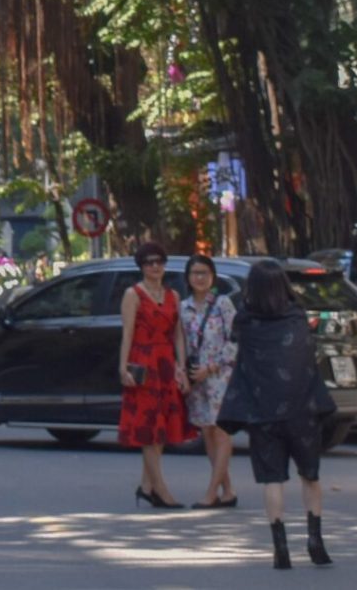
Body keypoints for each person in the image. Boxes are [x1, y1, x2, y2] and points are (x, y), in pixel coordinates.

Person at [217, 259, 334, 570]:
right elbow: (306, 359)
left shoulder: (245, 321)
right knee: (310, 475)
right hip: (301, 410)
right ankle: (315, 540)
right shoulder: (297, 317)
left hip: (262, 411)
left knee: (272, 480)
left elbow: (238, 355)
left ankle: (280, 548)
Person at [118, 241, 191, 508]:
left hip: (166, 364)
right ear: (141, 266)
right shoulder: (133, 294)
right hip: (143, 363)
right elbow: (127, 333)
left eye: (159, 261)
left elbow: (178, 334)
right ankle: (160, 489)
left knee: (161, 428)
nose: (155, 266)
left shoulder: (173, 296)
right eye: (149, 262)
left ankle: (147, 485)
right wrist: (123, 367)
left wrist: (181, 366)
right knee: (148, 428)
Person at [181, 253, 239, 508]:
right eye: (195, 273)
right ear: (188, 277)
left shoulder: (223, 304)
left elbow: (235, 340)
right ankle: (227, 490)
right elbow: (181, 342)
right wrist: (185, 371)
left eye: (204, 273)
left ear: (213, 276)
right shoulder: (183, 308)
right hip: (197, 379)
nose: (200, 278)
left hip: (220, 376)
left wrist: (212, 367)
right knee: (207, 432)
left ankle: (211, 492)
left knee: (221, 432)